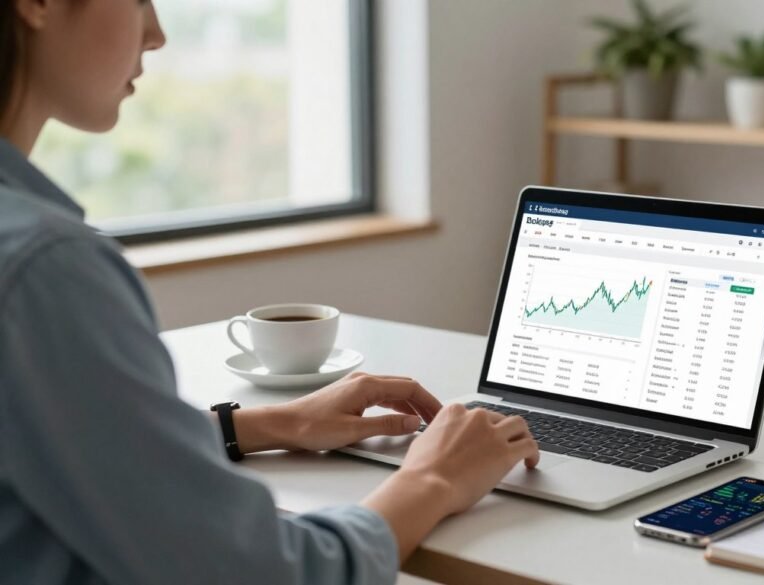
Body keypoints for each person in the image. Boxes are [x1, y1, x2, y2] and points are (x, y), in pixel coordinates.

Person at [0, 1, 539, 584]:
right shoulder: (45, 269)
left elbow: (67, 441)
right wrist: (434, 478)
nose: (156, 34)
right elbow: (263, 574)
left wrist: (269, 424)